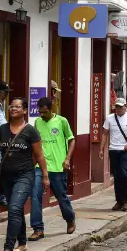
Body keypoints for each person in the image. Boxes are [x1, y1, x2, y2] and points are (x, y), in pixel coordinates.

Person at [0, 97, 47, 251]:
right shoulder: (2, 130)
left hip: (25, 175)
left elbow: (39, 155)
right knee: (14, 209)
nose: (14, 108)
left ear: (25, 111)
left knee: (15, 208)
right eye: (12, 106)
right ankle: (22, 243)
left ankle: (8, 247)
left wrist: (45, 176)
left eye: (18, 106)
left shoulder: (30, 131)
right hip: (6, 177)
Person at [29, 97, 76, 241]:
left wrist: (67, 159)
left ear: (51, 109)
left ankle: (70, 219)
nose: (41, 115)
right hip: (40, 166)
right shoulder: (37, 122)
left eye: (44, 112)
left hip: (58, 166)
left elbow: (71, 139)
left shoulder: (62, 121)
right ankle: (38, 229)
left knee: (61, 196)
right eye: (40, 112)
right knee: (35, 196)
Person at [99, 98, 127, 212]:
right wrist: (101, 149)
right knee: (117, 176)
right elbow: (104, 134)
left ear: (125, 107)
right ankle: (119, 201)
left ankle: (125, 200)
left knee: (124, 174)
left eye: (120, 106)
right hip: (113, 150)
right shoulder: (110, 118)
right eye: (116, 107)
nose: (118, 109)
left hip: (125, 150)